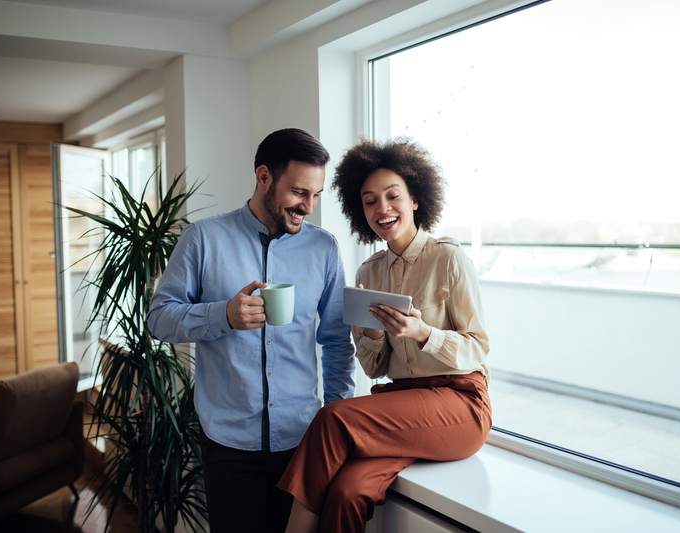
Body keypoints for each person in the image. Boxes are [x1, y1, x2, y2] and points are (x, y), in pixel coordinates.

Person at [277, 138, 492, 533]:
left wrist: (424, 333)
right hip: (406, 406)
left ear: (415, 199)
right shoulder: (369, 273)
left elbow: (478, 347)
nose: (382, 209)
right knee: (346, 492)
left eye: (393, 196)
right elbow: (374, 368)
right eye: (370, 201)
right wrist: (371, 334)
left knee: (333, 419)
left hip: (460, 404)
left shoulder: (448, 259)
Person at [147, 128, 356, 533]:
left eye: (315, 195)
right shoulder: (203, 239)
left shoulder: (324, 249)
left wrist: (337, 421)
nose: (308, 206)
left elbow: (335, 341)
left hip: (302, 441)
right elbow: (159, 318)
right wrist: (222, 315)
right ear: (264, 177)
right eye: (299, 192)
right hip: (227, 444)